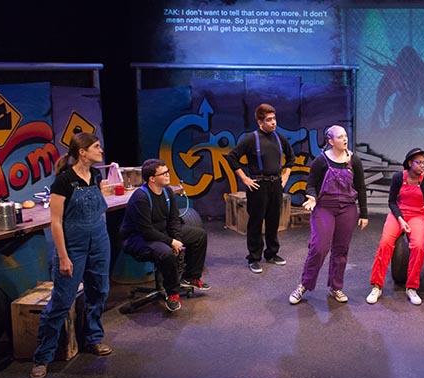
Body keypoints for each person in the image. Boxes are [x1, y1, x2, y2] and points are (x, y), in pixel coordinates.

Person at [31, 133, 112, 378]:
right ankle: (42, 357)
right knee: (62, 301)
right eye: (96, 147)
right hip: (73, 247)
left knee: (98, 292)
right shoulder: (64, 182)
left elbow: (99, 207)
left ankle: (93, 339)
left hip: (99, 241)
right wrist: (64, 257)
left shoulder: (96, 175)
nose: (101, 150)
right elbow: (55, 223)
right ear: (82, 152)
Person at [366, 148, 424, 306]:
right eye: (419, 162)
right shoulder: (398, 177)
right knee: (385, 244)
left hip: (417, 215)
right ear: (410, 163)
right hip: (398, 214)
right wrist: (400, 219)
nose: (422, 166)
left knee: (418, 247)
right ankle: (377, 286)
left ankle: (411, 287)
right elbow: (391, 202)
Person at [289, 125, 369, 304]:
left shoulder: (353, 160)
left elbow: (361, 187)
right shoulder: (321, 160)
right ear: (331, 141)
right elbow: (311, 184)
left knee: (341, 249)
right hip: (325, 207)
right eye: (340, 137)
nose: (345, 139)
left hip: (347, 208)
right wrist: (312, 197)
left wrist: (364, 213)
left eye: (345, 136)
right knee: (319, 247)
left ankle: (336, 286)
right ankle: (304, 284)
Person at [119, 158, 210, 312]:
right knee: (165, 252)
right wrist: (171, 242)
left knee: (199, 235)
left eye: (167, 171)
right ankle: (172, 292)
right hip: (138, 239)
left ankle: (191, 277)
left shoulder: (167, 192)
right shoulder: (141, 198)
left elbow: (174, 220)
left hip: (161, 232)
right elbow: (146, 231)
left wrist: (177, 240)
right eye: (164, 173)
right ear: (152, 178)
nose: (168, 175)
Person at [225, 103, 296, 274]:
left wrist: (285, 176)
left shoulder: (280, 138)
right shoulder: (251, 138)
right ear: (260, 122)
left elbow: (291, 158)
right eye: (269, 120)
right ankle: (254, 258)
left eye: (274, 119)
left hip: (275, 184)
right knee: (256, 222)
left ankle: (271, 254)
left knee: (273, 221)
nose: (273, 123)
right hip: (258, 185)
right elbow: (232, 158)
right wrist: (245, 179)